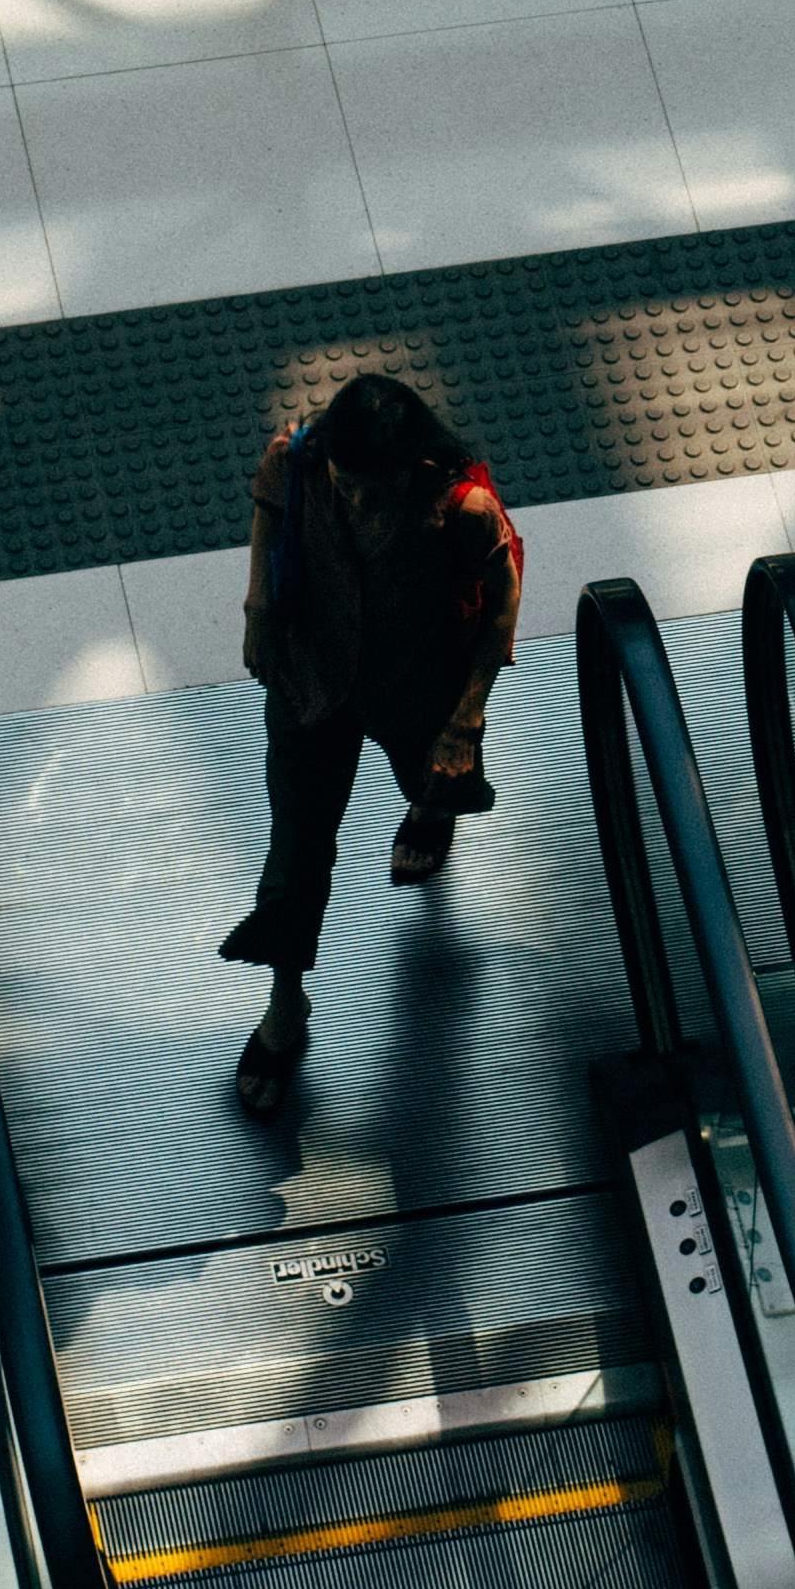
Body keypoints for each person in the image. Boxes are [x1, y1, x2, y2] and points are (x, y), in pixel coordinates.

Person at [214, 373, 522, 1121]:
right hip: (312, 681)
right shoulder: (301, 461)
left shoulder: (461, 508)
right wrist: (258, 603)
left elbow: (502, 597)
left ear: (409, 468)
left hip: (414, 683)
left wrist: (466, 720)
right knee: (295, 849)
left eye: (370, 491)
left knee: (434, 777)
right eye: (344, 486)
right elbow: (269, 500)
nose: (354, 500)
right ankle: (286, 1009)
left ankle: (428, 809)